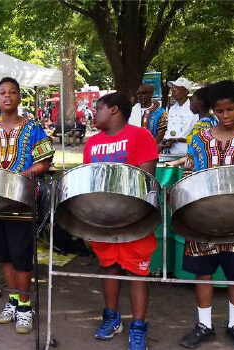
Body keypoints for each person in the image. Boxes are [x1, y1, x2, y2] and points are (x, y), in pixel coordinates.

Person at [178, 80, 234, 350]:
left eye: (230, 110)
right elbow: (189, 175)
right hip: (203, 218)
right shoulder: (200, 139)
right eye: (219, 111)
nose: (225, 116)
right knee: (204, 274)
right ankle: (204, 325)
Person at [0, 77, 54, 334]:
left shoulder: (33, 128)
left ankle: (25, 307)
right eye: (2, 93)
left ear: (20, 97)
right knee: (4, 256)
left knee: (21, 258)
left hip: (21, 202)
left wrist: (25, 174)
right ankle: (13, 300)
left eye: (12, 92)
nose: (7, 96)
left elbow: (44, 161)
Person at [82, 92, 158, 350]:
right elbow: (88, 182)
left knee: (137, 273)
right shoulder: (92, 143)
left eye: (98, 108)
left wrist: (129, 209)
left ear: (114, 110)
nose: (94, 113)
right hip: (104, 218)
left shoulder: (141, 136)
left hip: (134, 218)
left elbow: (146, 180)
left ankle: (138, 325)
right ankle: (111, 317)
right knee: (109, 267)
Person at [165, 86, 218, 167]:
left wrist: (175, 162)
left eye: (192, 100)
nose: (190, 103)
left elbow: (196, 152)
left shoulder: (202, 125)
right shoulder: (213, 120)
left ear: (200, 103)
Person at [160, 77, 199, 154]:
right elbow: (169, 129)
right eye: (172, 88)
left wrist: (176, 140)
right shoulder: (172, 109)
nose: (173, 90)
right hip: (170, 152)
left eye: (177, 88)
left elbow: (196, 134)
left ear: (186, 91)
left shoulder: (193, 109)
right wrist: (165, 140)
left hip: (187, 153)